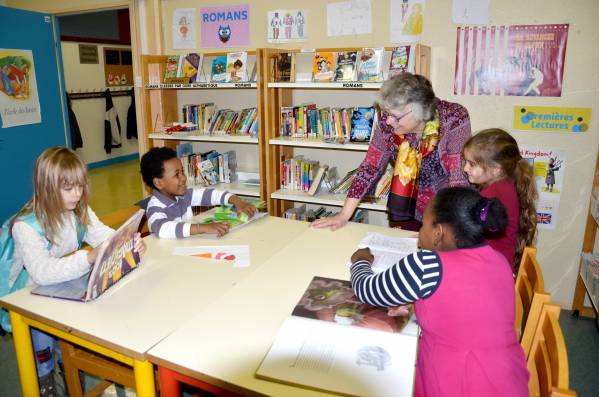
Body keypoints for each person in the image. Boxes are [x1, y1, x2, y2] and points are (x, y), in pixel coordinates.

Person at [350, 187, 529, 397]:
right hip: (508, 380)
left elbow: (367, 290)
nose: (419, 232)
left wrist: (360, 260)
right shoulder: (499, 261)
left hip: (457, 383)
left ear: (438, 233)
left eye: (424, 224)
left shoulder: (428, 265)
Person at [10, 147, 145, 396]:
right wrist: (89, 257)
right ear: (47, 187)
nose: (78, 194)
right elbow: (41, 272)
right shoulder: (26, 226)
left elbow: (105, 236)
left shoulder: (79, 210)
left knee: (67, 346)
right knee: (42, 350)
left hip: (66, 284)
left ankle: (71, 374)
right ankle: (46, 382)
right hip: (31, 295)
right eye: (69, 188)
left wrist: (129, 240)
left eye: (80, 186)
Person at [312, 73, 471, 231]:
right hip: (409, 208)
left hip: (450, 212)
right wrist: (344, 215)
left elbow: (458, 178)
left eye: (395, 116)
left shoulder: (454, 118)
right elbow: (370, 167)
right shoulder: (387, 124)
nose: (388, 121)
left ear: (420, 111)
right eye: (386, 114)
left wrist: (445, 230)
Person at [140, 147, 257, 239]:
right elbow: (162, 229)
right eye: (177, 174)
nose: (183, 178)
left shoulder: (183, 195)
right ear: (159, 183)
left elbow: (210, 195)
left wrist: (237, 201)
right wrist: (203, 228)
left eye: (182, 172)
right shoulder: (154, 207)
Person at [462, 128, 537, 270]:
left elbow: (468, 233)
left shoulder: (494, 193)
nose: (465, 168)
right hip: (498, 265)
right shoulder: (504, 185)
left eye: (471, 163)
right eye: (465, 161)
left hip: (489, 270)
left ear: (496, 169)